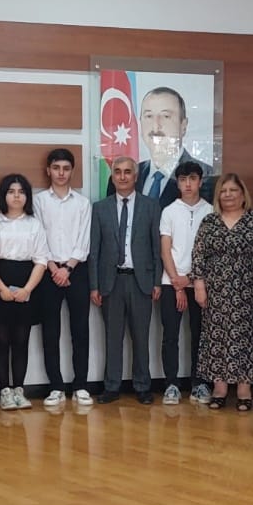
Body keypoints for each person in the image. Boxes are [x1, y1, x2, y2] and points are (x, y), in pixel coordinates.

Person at [190, 173, 253, 410]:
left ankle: (244, 389)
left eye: (233, 190)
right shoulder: (209, 222)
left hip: (249, 292)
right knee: (217, 339)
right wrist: (199, 285)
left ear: (243, 194)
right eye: (223, 191)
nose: (228, 195)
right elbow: (198, 255)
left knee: (247, 339)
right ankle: (219, 388)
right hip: (216, 293)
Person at [89, 156, 162, 405]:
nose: (122, 176)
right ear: (112, 177)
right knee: (113, 337)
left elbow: (156, 248)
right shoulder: (100, 208)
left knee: (141, 338)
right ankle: (111, 386)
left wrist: (156, 281)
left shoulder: (151, 206)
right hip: (111, 282)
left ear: (135, 176)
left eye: (127, 172)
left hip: (141, 281)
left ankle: (142, 386)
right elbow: (95, 250)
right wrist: (95, 285)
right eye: (118, 172)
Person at [34, 148, 93, 407]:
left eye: (66, 168)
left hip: (76, 270)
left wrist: (67, 268)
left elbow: (84, 240)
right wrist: (53, 268)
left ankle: (81, 385)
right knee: (50, 331)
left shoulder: (82, 203)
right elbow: (38, 237)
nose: (61, 173)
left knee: (80, 330)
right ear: (48, 170)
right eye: (56, 168)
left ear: (72, 171)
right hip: (47, 271)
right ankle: (55, 386)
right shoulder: (38, 201)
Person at [0, 175, 49, 411]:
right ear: (3, 195)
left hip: (27, 281)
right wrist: (0, 288)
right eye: (11, 191)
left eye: (21, 191)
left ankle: (19, 390)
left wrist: (27, 289)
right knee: (0, 340)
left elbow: (41, 260)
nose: (16, 196)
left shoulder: (34, 224)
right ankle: (4, 391)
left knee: (21, 340)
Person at [159, 161, 213, 405]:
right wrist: (177, 283)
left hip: (201, 283)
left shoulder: (211, 211)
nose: (188, 184)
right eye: (182, 179)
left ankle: (199, 383)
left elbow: (211, 254)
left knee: (200, 334)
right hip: (171, 282)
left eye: (192, 179)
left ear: (200, 181)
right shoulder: (169, 211)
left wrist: (190, 279)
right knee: (170, 335)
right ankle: (171, 384)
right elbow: (165, 250)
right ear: (177, 183)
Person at [108, 86, 216, 207]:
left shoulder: (206, 176)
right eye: (149, 116)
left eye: (166, 116)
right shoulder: (127, 176)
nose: (155, 126)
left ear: (183, 125)